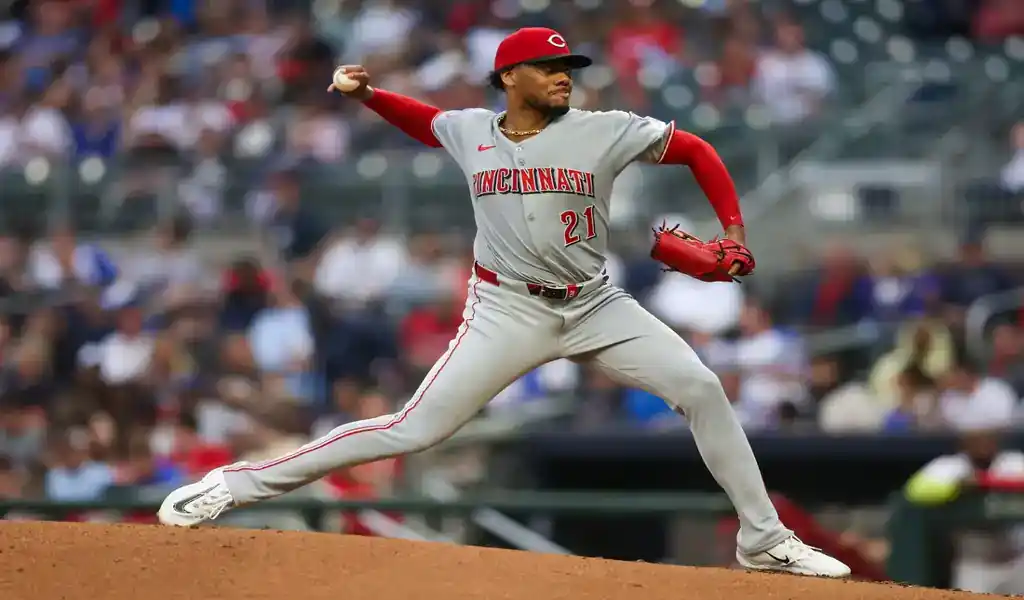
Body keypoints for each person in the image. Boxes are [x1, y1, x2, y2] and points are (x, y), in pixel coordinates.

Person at [156, 27, 850, 578]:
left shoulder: (603, 127)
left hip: (595, 304)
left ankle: (763, 538)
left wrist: (732, 229)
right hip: (507, 311)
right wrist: (369, 97)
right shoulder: (470, 130)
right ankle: (238, 486)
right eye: (549, 68)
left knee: (701, 387)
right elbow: (424, 122)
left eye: (568, 69)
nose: (563, 77)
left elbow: (697, 150)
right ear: (509, 78)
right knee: (413, 429)